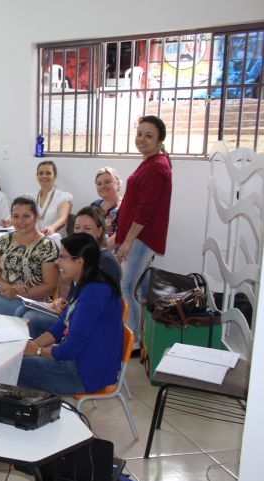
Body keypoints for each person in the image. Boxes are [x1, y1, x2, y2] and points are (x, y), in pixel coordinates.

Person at [18, 233, 123, 395]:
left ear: (79, 261)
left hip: (84, 374)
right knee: (18, 360)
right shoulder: (87, 283)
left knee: (14, 367)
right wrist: (31, 347)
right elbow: (61, 326)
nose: (57, 262)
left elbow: (71, 349)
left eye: (62, 257)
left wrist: (37, 351)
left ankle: (31, 407)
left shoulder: (94, 292)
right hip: (82, 363)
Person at [115, 116, 173, 351]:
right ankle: (144, 337)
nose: (141, 139)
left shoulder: (156, 166)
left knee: (126, 287)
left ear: (160, 139)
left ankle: (134, 343)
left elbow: (145, 210)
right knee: (140, 289)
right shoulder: (150, 162)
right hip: (137, 237)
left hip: (141, 238)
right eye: (139, 133)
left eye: (148, 135)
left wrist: (127, 241)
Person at [24, 205, 122, 337]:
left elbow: (94, 306)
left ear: (100, 231)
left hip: (90, 326)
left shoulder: (105, 262)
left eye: (87, 228)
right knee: (22, 311)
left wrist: (68, 308)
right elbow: (73, 295)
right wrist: (61, 302)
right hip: (72, 313)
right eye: (77, 227)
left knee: (31, 318)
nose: (80, 232)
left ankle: (37, 348)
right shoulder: (81, 256)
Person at [2, 161, 72, 245]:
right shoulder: (29, 197)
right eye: (41, 173)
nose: (44, 176)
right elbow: (20, 216)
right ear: (37, 176)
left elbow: (63, 219)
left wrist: (52, 228)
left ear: (55, 175)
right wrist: (10, 221)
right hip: (30, 240)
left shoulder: (63, 197)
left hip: (54, 241)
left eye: (48, 173)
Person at [90, 167, 123, 248]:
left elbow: (121, 234)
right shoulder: (94, 205)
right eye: (99, 184)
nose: (102, 186)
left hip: (115, 252)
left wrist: (98, 251)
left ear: (118, 183)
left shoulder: (125, 206)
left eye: (107, 182)